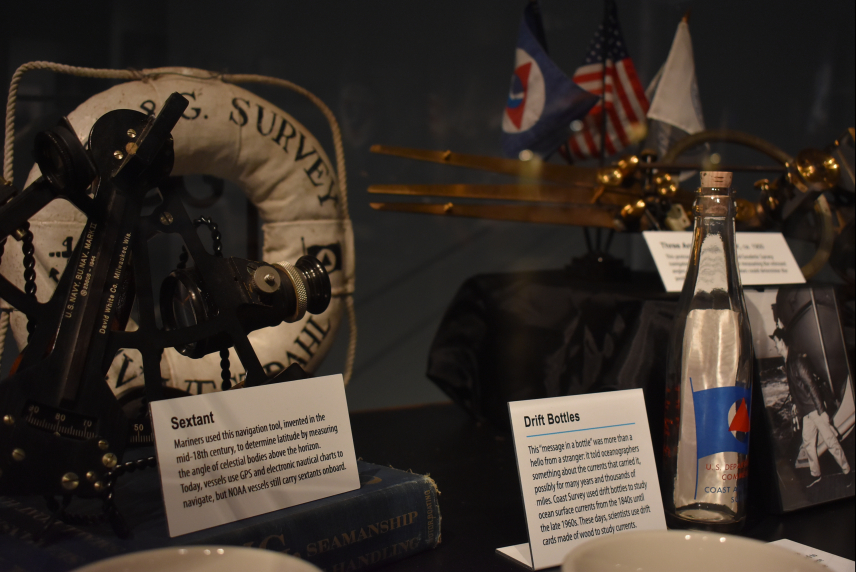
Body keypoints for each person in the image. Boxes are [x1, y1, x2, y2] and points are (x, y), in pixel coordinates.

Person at [770, 320, 851, 487]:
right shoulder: (789, 361)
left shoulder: (797, 360)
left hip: (814, 410)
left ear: (783, 342)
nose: (775, 346)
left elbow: (812, 387)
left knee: (831, 442)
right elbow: (797, 388)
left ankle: (847, 472)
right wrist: (795, 404)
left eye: (776, 342)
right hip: (806, 411)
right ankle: (816, 475)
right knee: (808, 442)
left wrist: (822, 412)